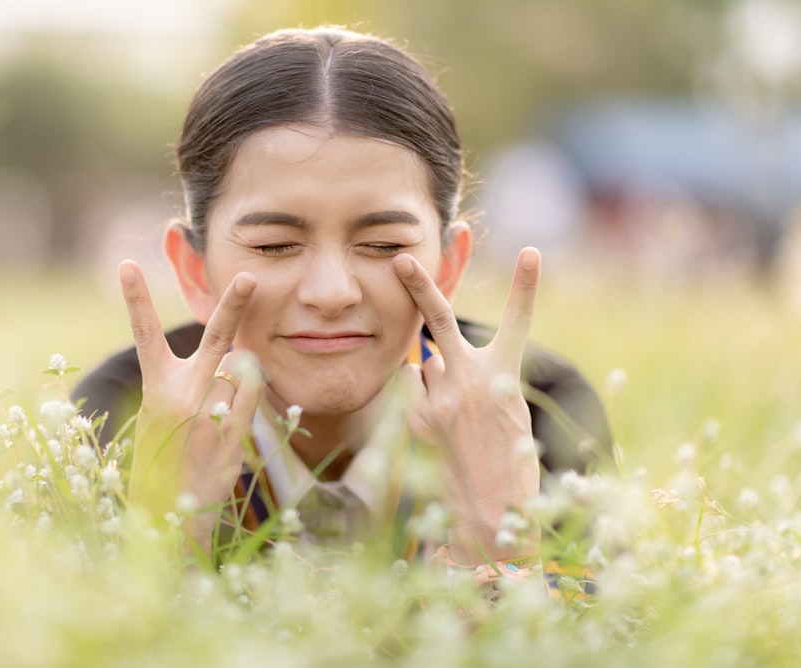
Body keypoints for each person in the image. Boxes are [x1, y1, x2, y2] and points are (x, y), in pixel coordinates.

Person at [74, 27, 610, 586]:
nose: (331, 293)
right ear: (193, 270)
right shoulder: (119, 419)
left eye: (383, 247)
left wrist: (501, 543)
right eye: (274, 245)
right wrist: (168, 537)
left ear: (449, 266)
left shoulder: (539, 412)